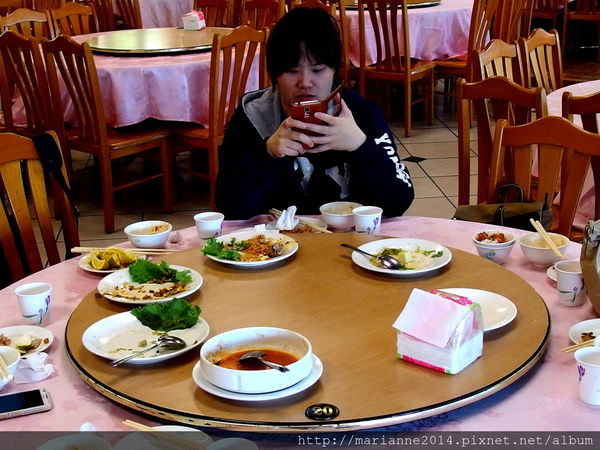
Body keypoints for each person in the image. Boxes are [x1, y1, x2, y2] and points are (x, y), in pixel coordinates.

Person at [215, 7, 414, 219]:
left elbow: (398, 202)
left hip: (349, 243)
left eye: (318, 70)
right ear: (275, 74)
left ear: (334, 71)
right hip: (273, 245)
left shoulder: (361, 114)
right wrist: (268, 153)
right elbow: (229, 208)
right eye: (292, 71)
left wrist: (360, 145)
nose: (305, 83)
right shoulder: (252, 116)